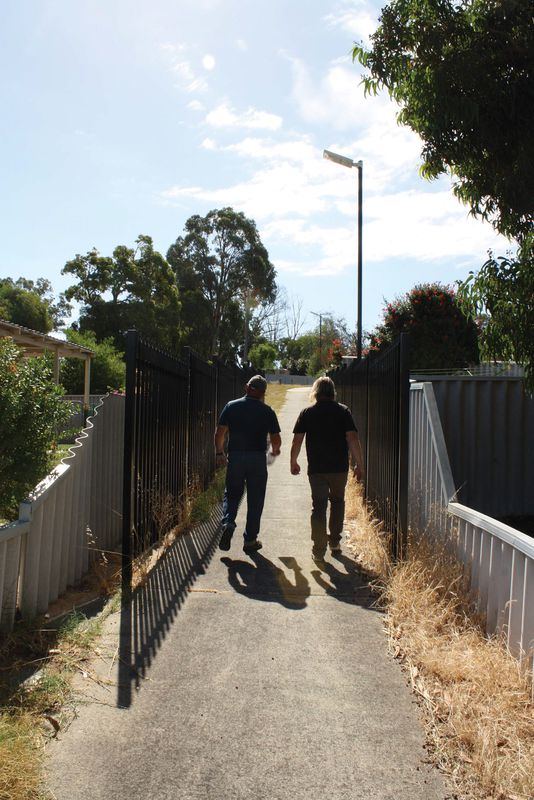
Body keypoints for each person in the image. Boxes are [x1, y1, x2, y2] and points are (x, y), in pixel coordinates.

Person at [290, 376, 364, 566]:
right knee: (337, 502)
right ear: (332, 392)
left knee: (319, 506)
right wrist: (359, 464)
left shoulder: (307, 413)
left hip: (317, 468)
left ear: (315, 392)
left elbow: (297, 440)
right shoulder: (343, 411)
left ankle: (318, 549)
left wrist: (293, 461)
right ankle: (335, 542)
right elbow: (353, 438)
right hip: (339, 468)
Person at [214, 375, 281, 553]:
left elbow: (220, 432)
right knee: (255, 499)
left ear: (247, 387)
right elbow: (276, 438)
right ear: (263, 393)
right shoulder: (267, 411)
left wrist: (219, 452)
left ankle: (228, 522)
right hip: (257, 459)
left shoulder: (231, 406)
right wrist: (275, 451)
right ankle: (250, 540)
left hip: (236, 457)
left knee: (232, 494)